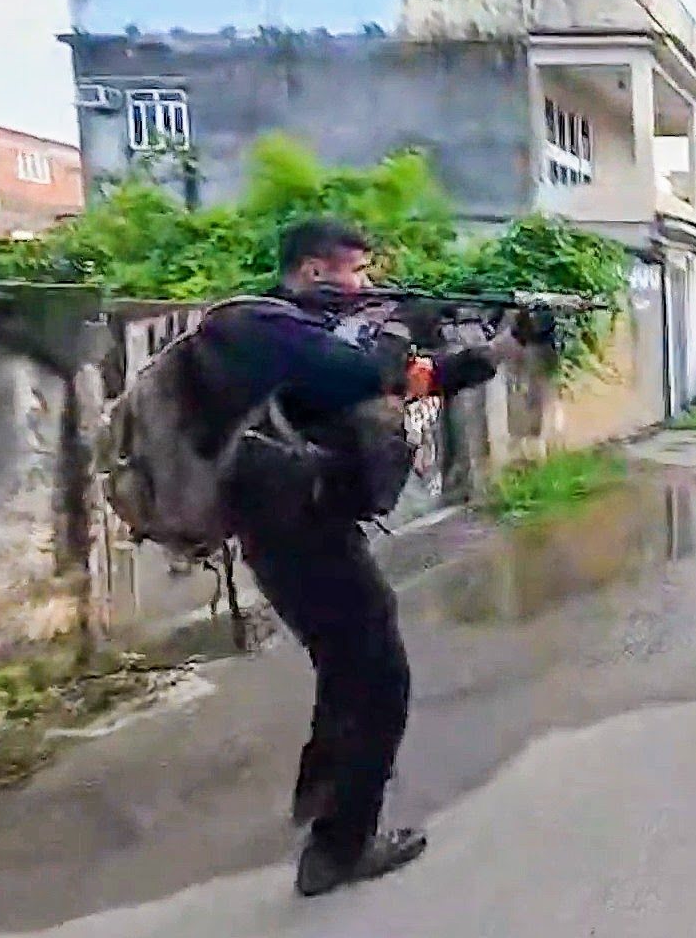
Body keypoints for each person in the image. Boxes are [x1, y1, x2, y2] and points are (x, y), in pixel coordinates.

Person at [188, 217, 521, 896]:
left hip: (311, 527)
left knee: (349, 669)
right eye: (357, 271)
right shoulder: (261, 326)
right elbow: (369, 372)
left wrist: (499, 349)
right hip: (295, 533)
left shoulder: (307, 333)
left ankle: (325, 801)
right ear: (314, 270)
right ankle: (339, 847)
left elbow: (406, 382)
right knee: (378, 677)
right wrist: (399, 323)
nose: (366, 283)